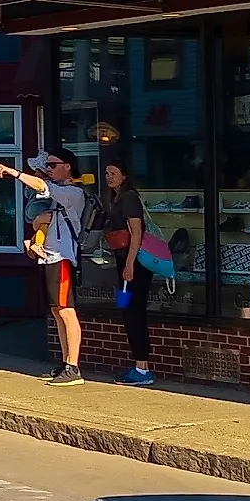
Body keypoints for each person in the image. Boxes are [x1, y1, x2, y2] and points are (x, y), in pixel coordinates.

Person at [0, 152, 89, 385]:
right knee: (57, 311)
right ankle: (67, 362)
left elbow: (41, 185)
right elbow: (39, 213)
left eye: (53, 165)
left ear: (67, 166)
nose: (48, 168)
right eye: (47, 165)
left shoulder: (73, 193)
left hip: (62, 257)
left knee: (66, 310)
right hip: (48, 257)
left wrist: (13, 172)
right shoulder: (57, 194)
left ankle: (73, 366)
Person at [97, 157, 154, 386]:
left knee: (133, 313)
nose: (109, 176)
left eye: (113, 172)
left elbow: (136, 232)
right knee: (126, 309)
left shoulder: (129, 198)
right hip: (124, 263)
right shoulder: (116, 198)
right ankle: (139, 365)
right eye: (107, 173)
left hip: (135, 265)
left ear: (124, 175)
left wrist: (129, 264)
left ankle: (143, 369)